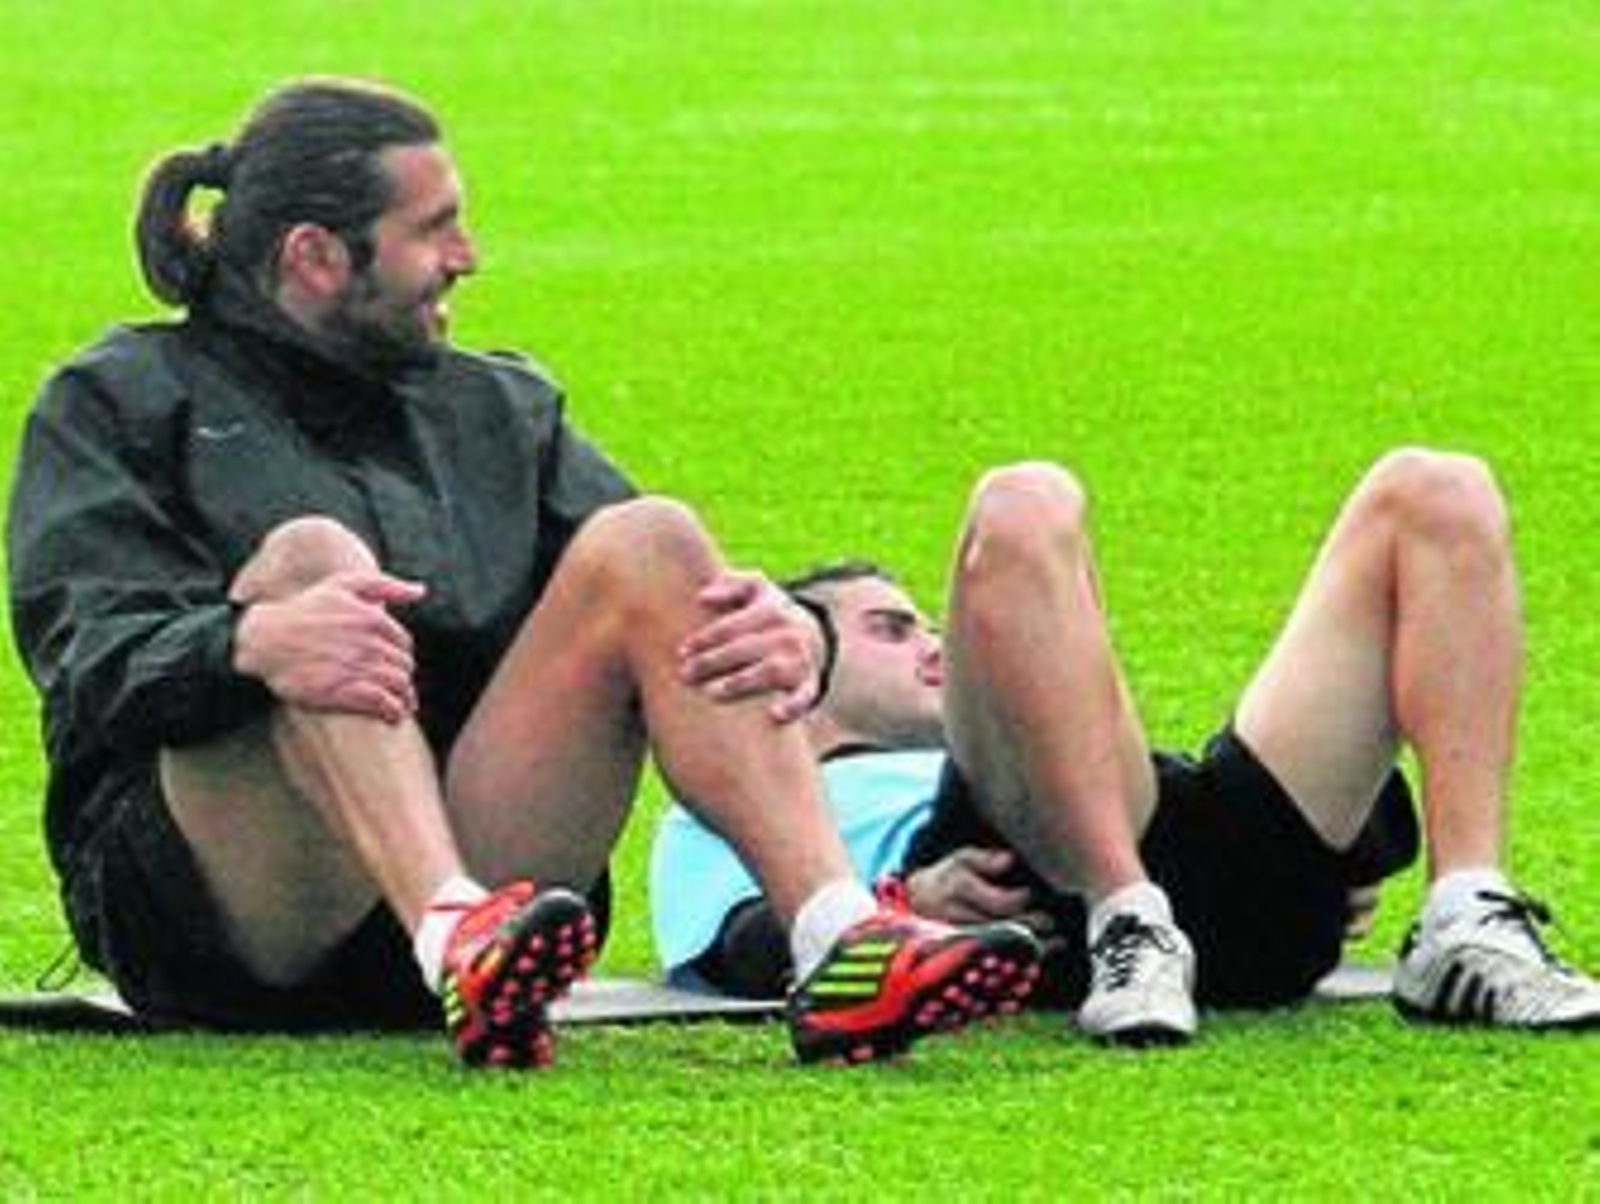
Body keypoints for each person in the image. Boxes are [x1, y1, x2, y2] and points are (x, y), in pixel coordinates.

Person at [4, 77, 1042, 1071]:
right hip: (226, 915)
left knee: (655, 538)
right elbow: (83, 658)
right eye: (434, 227)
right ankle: (452, 930)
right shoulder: (116, 401)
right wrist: (243, 642)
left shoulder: (498, 409)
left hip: (492, 876)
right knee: (310, 564)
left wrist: (795, 630)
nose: (469, 256)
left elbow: (678, 606)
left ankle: (837, 936)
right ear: (316, 255)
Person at [652, 453, 1600, 1043]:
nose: (936, 643)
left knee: (1437, 488)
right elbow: (732, 948)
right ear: (805, 665)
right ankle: (1126, 918)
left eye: (936, 623)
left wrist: (1349, 843)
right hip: (1032, 886)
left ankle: (1467, 912)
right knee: (1023, 500)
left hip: (1179, 839)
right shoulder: (756, 780)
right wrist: (901, 906)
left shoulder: (1025, 714)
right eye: (889, 631)